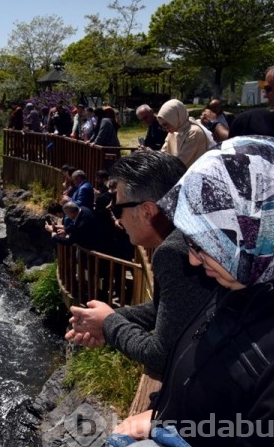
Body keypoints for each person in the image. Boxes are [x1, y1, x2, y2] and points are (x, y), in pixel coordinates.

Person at [113, 136, 274, 447]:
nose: (192, 259)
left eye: (204, 242)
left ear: (259, 230)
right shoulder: (252, 278)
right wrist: (166, 419)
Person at [66, 151, 216, 375]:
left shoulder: (173, 252)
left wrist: (108, 323)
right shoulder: (189, 233)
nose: (116, 217)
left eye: (117, 208)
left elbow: (160, 357)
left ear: (147, 211)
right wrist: (104, 320)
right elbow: (166, 307)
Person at [158, 99, 209, 168]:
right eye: (162, 126)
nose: (165, 129)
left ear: (175, 118)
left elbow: (180, 162)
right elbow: (163, 153)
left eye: (166, 124)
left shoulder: (194, 132)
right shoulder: (173, 131)